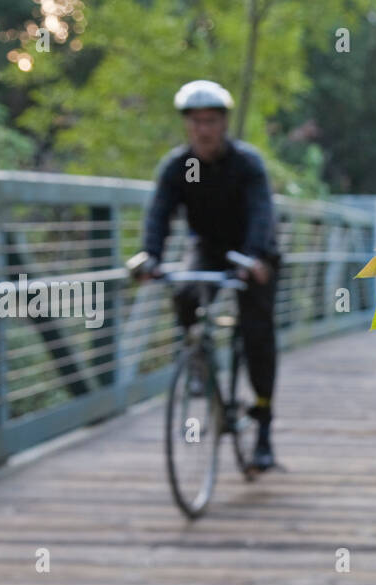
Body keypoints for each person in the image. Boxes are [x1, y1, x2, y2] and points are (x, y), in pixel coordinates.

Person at [134, 79, 282, 472]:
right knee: (184, 290)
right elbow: (159, 214)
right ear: (188, 124)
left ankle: (263, 428)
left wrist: (253, 258)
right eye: (197, 121)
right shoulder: (180, 167)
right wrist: (150, 256)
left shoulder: (246, 164)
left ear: (224, 122)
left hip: (253, 254)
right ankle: (197, 357)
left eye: (212, 120)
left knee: (257, 336)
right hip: (207, 250)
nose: (204, 129)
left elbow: (262, 213)